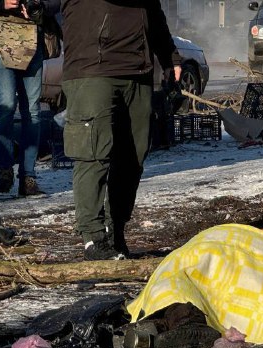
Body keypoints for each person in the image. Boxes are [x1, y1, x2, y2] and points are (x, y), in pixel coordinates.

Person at [61, 0, 181, 261]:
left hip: (138, 70)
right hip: (93, 67)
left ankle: (115, 231)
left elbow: (153, 11)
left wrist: (169, 56)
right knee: (93, 152)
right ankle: (93, 237)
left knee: (133, 156)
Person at [0, 0, 60, 197]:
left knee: (32, 110)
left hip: (33, 35)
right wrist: (0, 3)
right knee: (6, 105)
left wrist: (40, 5)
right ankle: (5, 172)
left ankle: (28, 177)